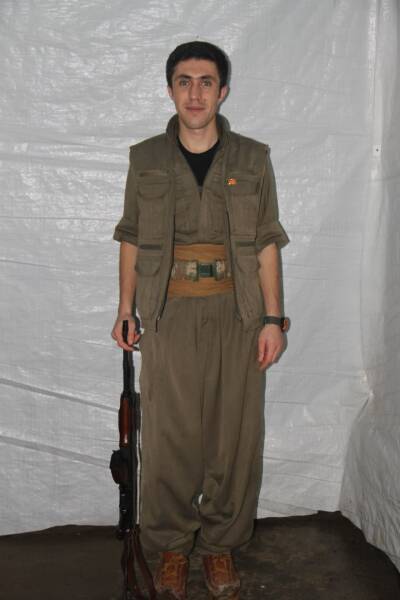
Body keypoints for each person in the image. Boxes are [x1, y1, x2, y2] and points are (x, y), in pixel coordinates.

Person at [112, 40, 289, 600]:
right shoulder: (145, 159)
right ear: (170, 89)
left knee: (233, 435)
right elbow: (131, 237)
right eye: (184, 81)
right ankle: (171, 547)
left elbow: (266, 242)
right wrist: (125, 309)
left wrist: (273, 319)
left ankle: (218, 547)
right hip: (169, 312)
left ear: (223, 91)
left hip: (238, 312)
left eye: (206, 81)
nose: (195, 93)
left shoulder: (253, 159)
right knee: (170, 436)